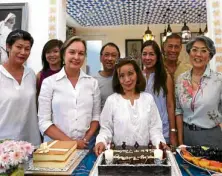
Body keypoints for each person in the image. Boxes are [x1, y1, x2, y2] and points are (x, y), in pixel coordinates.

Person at [38, 36, 101, 149]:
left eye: (81, 53)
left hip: (86, 145)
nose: (76, 57)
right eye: (72, 52)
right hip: (56, 147)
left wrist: (85, 140)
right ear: (63, 55)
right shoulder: (49, 83)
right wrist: (72, 143)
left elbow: (95, 117)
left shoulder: (92, 83)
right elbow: (44, 121)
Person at [95, 58, 166, 155]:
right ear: (118, 79)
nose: (127, 79)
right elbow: (106, 129)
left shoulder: (148, 99)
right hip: (119, 157)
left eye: (130, 74)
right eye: (122, 76)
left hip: (145, 157)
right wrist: (101, 141)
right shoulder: (112, 100)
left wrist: (160, 144)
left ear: (137, 74)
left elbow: (155, 129)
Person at [175, 36, 222, 149]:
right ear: (189, 52)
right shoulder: (181, 79)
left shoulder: (218, 80)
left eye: (204, 51)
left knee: (210, 167)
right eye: (194, 50)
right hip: (187, 136)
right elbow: (179, 111)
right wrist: (180, 141)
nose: (198, 55)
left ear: (210, 56)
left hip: (211, 136)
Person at [0, 29, 41, 146]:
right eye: (19, 47)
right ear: (8, 47)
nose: (23, 52)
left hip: (31, 142)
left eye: (27, 49)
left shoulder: (31, 74)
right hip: (4, 144)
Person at [141, 40, 177, 146]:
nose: (147, 58)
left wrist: (173, 132)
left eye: (151, 54)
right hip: (143, 130)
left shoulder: (165, 77)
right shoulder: (137, 76)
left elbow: (170, 106)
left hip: (163, 130)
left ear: (157, 57)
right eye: (144, 54)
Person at [94, 42, 120, 109]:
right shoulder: (93, 81)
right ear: (100, 58)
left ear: (118, 59)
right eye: (106, 55)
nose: (110, 58)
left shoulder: (123, 79)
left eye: (113, 55)